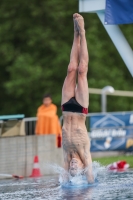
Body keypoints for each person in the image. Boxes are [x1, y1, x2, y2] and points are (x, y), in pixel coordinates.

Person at [61, 13, 94, 183]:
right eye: (76, 169)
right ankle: (82, 32)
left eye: (71, 169)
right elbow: (91, 179)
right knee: (82, 70)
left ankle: (75, 34)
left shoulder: (67, 156)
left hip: (66, 108)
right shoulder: (85, 155)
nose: (73, 166)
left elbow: (63, 180)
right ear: (83, 167)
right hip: (81, 108)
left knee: (71, 68)